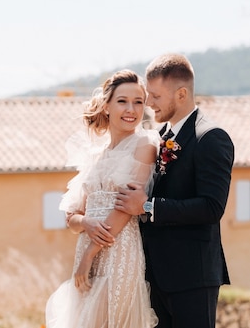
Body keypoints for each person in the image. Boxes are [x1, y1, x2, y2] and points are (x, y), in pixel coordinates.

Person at [114, 53, 235, 328]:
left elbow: (211, 207)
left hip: (193, 277)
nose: (148, 103)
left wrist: (147, 207)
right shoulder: (158, 137)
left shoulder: (211, 138)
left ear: (181, 94)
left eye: (155, 96)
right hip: (154, 275)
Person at [45, 69, 159, 328]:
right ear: (106, 106)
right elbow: (71, 217)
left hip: (119, 251)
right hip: (87, 251)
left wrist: (89, 254)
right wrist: (86, 224)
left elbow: (127, 207)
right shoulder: (93, 157)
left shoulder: (145, 145)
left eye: (138, 102)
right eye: (122, 101)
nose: (131, 109)